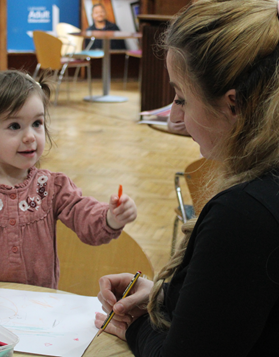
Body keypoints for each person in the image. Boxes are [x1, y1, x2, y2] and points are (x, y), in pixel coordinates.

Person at [95, 0, 279, 355]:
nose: (173, 120)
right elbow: (247, 301)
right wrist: (169, 297)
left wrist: (135, 325)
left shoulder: (246, 213)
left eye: (181, 98)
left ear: (233, 104)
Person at [0, 64, 137, 289]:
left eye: (37, 123)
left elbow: (86, 220)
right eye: (15, 126)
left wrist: (112, 217)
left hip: (36, 312)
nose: (30, 137)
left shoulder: (55, 186)